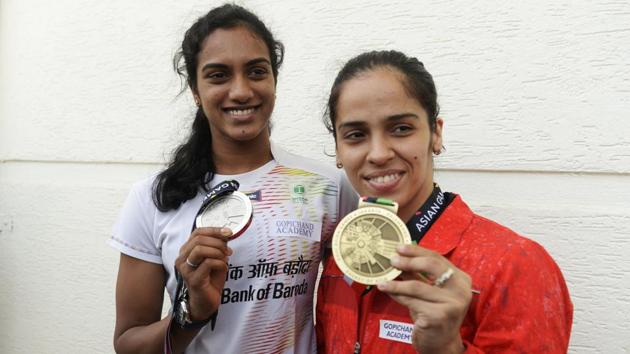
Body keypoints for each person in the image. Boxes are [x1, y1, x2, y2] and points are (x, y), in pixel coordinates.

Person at [110, 4, 356, 354]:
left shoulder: (328, 187)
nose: (240, 91)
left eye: (256, 71)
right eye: (218, 75)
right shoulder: (152, 197)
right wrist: (190, 313)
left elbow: (352, 312)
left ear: (274, 80)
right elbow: (128, 344)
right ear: (195, 90)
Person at [316, 50, 573, 353]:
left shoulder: (514, 266)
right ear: (337, 150)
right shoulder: (340, 259)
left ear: (435, 134)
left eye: (401, 129)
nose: (379, 153)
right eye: (356, 134)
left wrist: (448, 348)